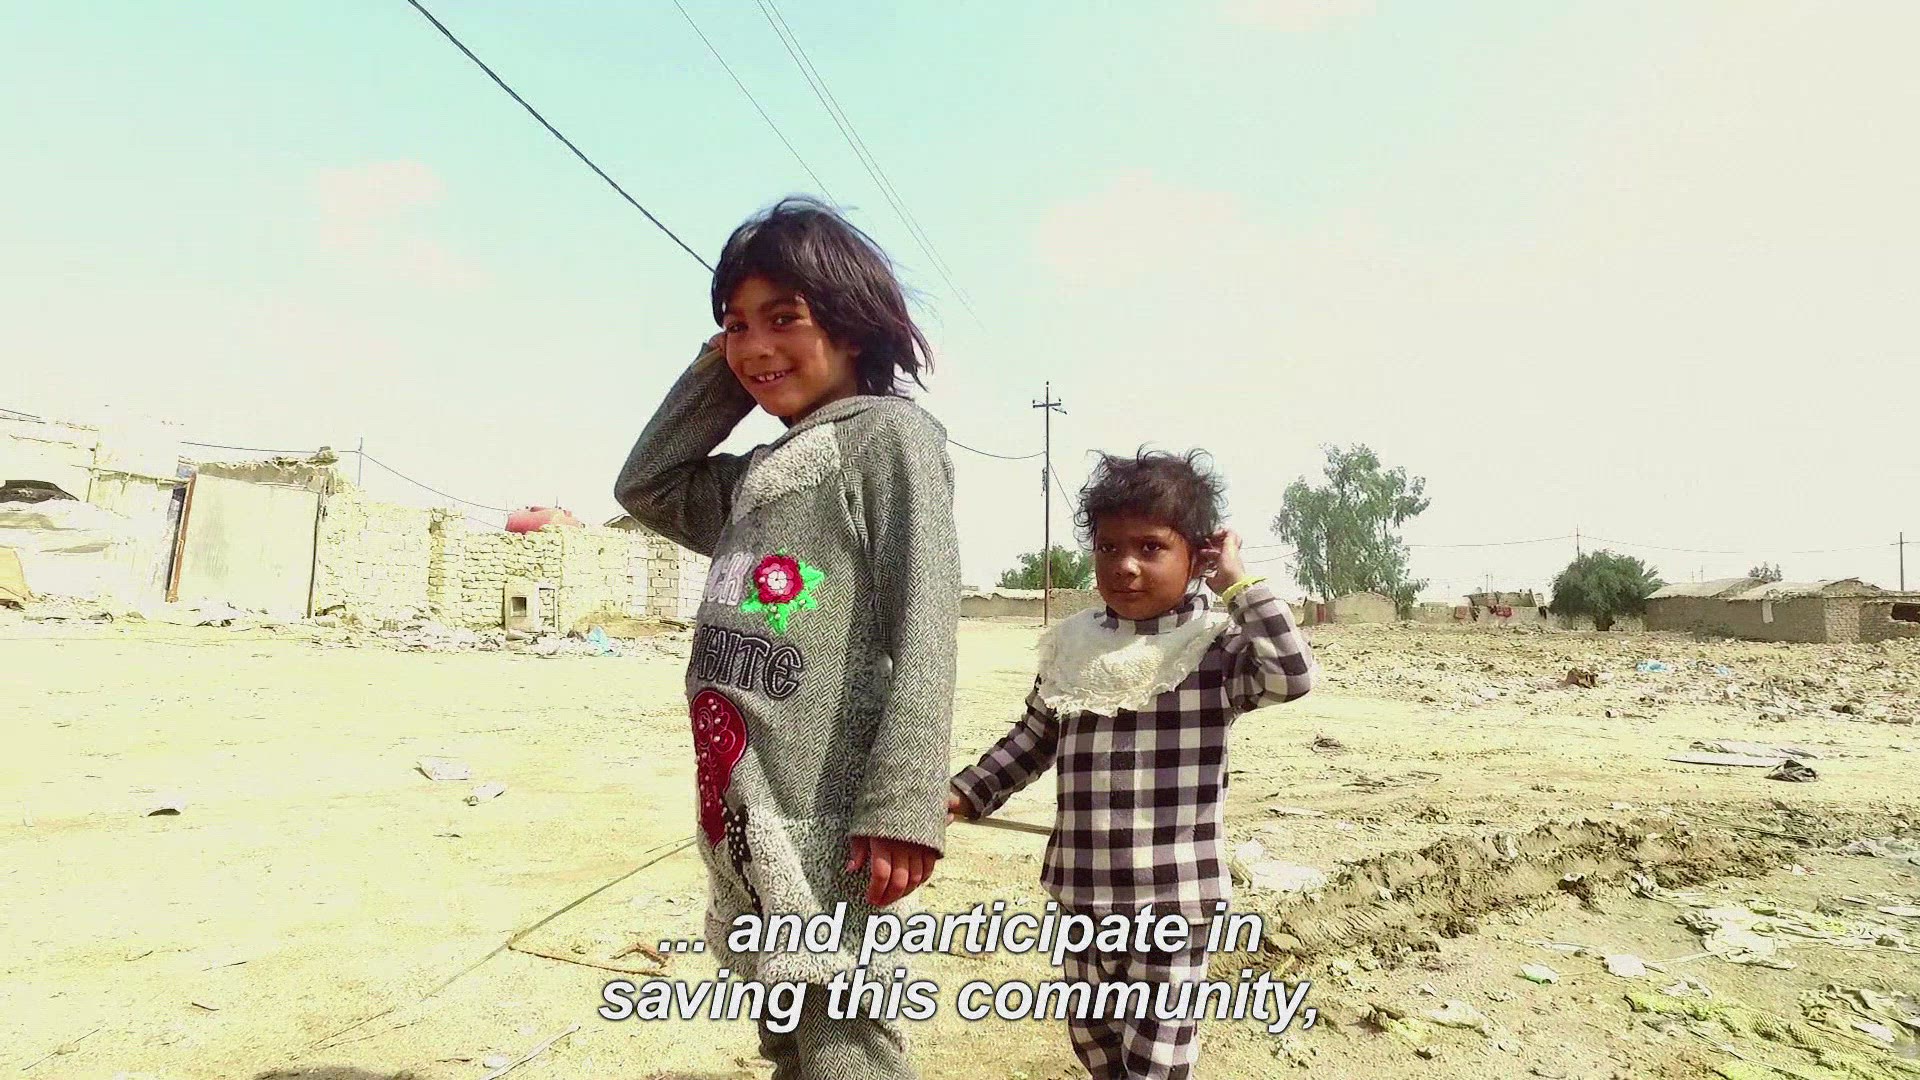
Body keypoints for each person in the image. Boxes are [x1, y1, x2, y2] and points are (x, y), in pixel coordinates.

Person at [615, 196, 957, 1079]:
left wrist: (905, 805)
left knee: (847, 1036)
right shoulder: (761, 474)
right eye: (735, 324)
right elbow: (647, 485)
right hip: (745, 807)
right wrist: (727, 370)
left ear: (852, 323)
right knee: (789, 1035)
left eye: (783, 318)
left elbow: (926, 624)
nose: (755, 344)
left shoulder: (887, 438)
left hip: (830, 815)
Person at [947, 449, 1317, 1080]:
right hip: (1081, 893)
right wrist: (961, 794)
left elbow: (1293, 675)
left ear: (1196, 558)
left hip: (1174, 899)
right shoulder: (1075, 645)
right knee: (1096, 1044)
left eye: (1151, 548)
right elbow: (1033, 740)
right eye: (1109, 547)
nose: (1125, 565)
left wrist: (1238, 583)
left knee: (1156, 1057)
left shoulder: (1214, 649)